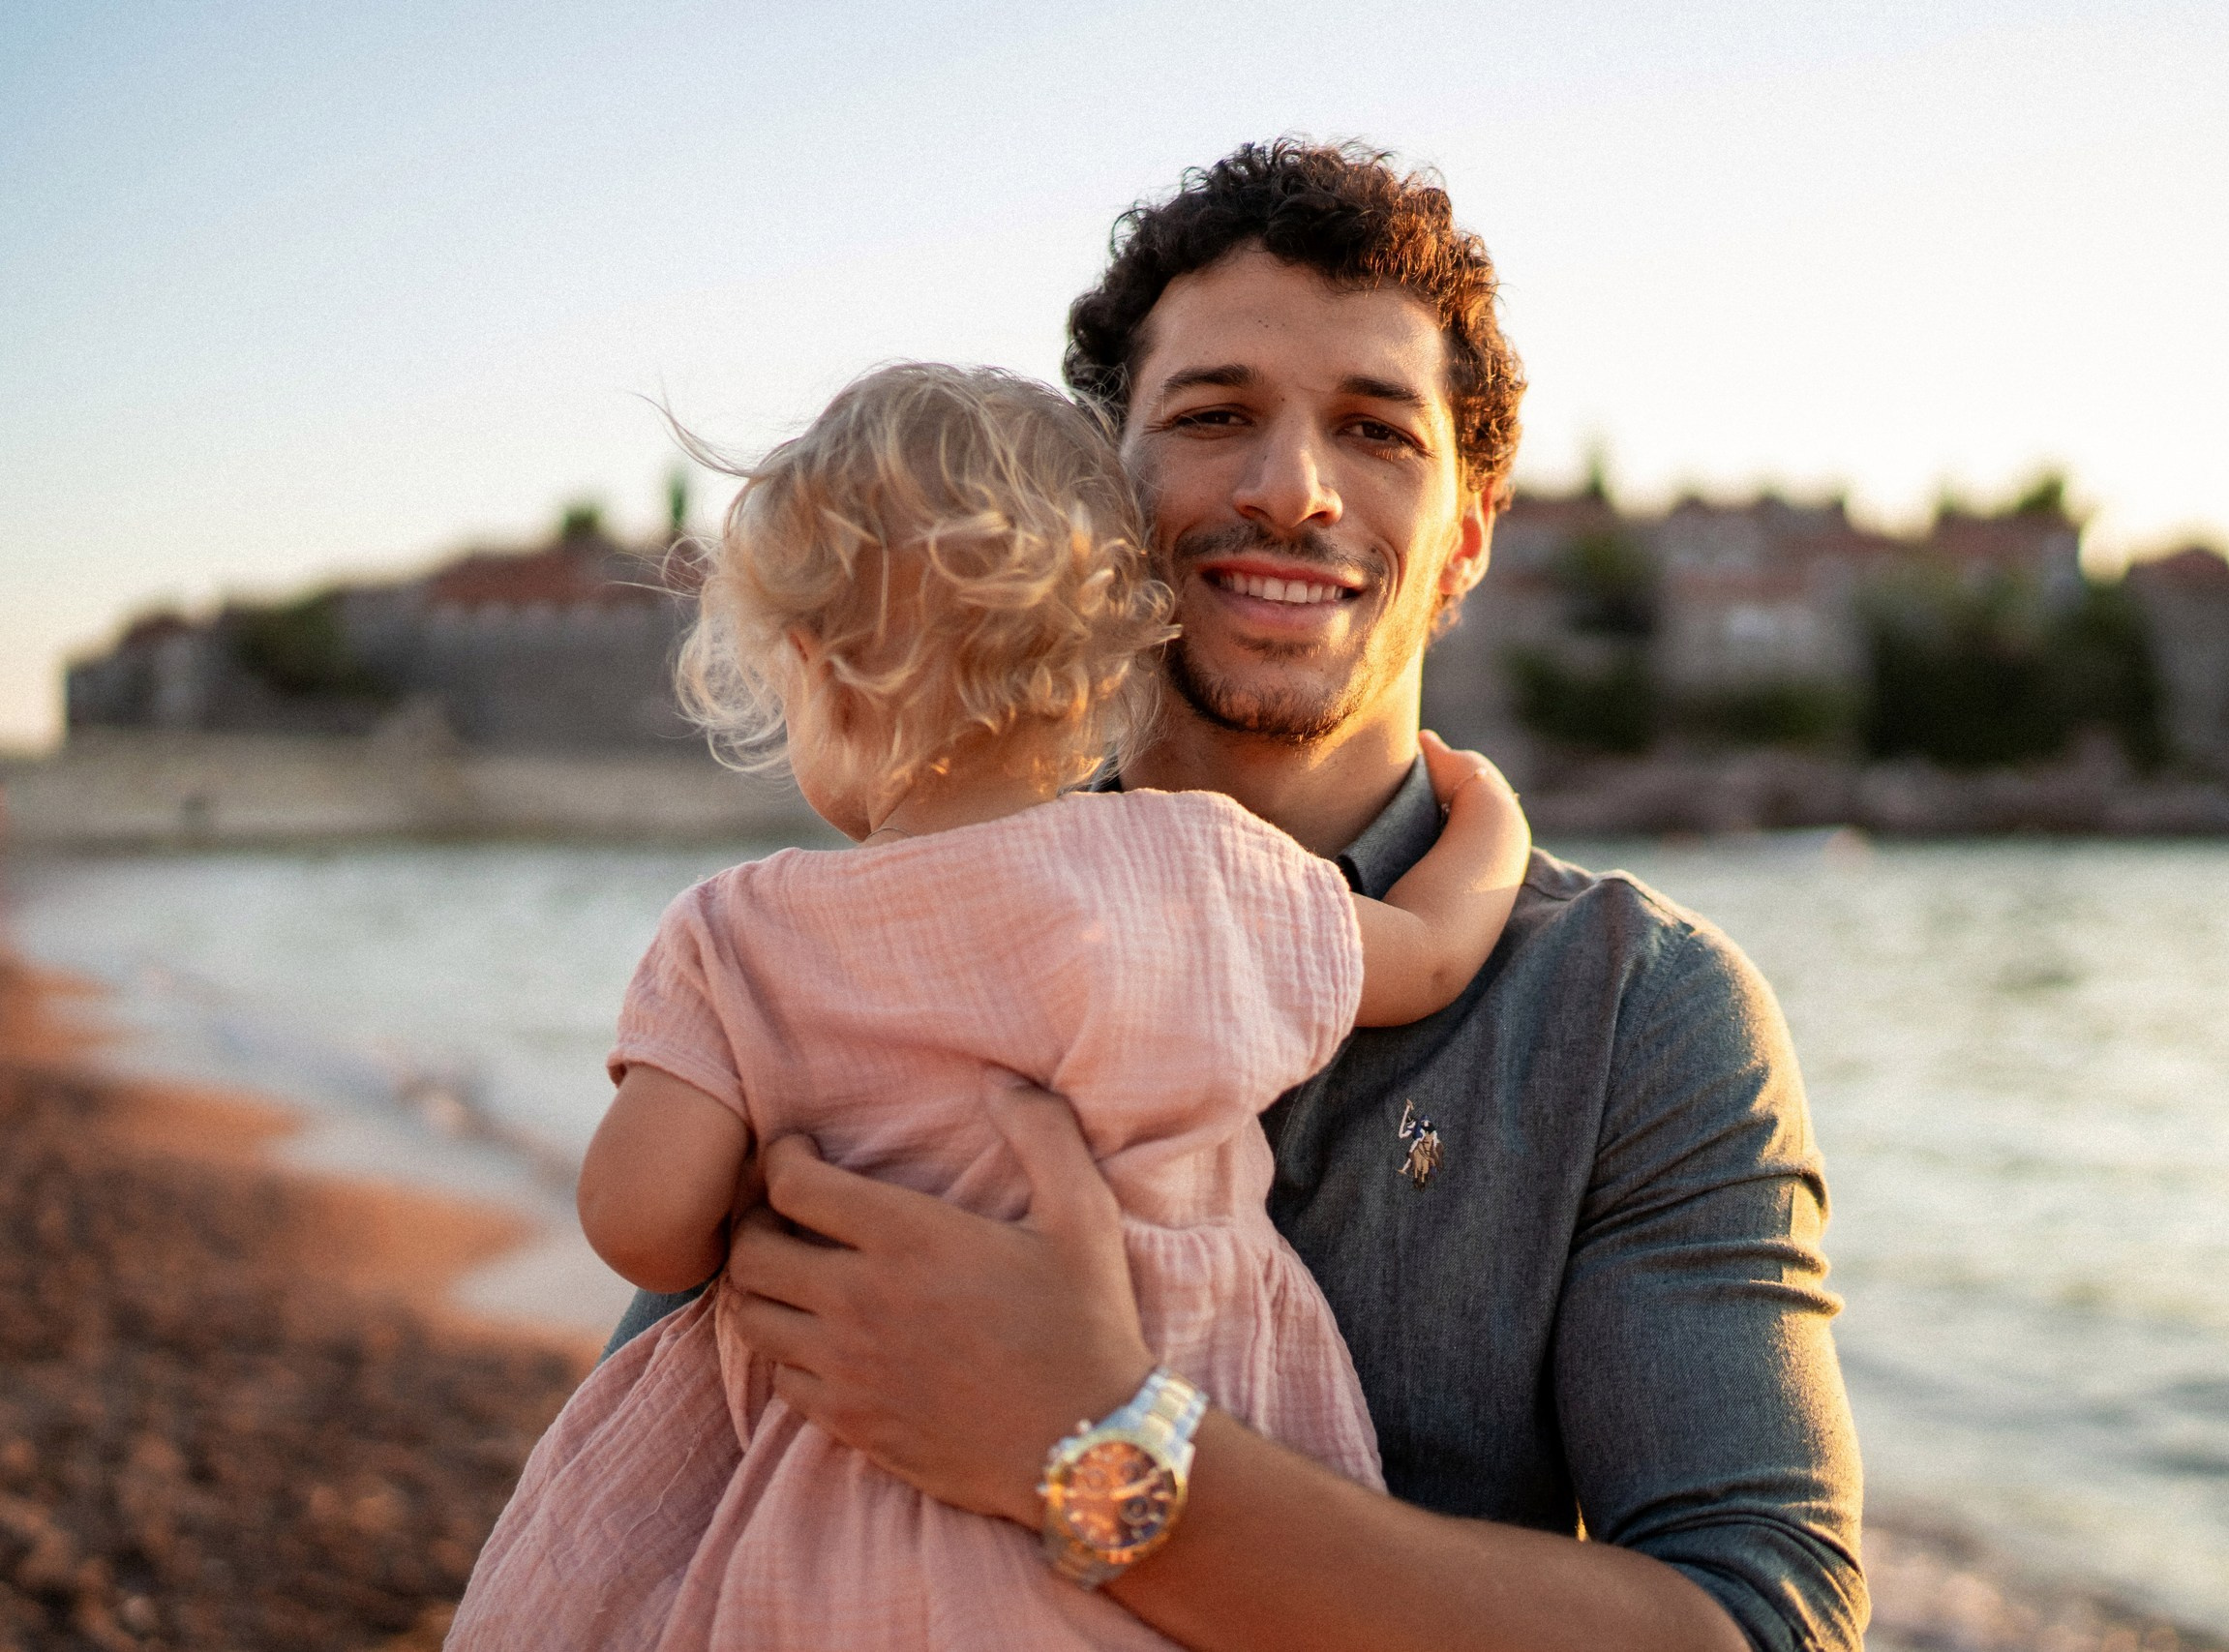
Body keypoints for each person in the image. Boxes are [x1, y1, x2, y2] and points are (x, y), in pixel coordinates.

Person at [610, 140, 1867, 1652]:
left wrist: (1092, 1448)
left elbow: (1767, 1623)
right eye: (1214, 417)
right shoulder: (872, 943)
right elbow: (678, 1434)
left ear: (1467, 532)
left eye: (1377, 432)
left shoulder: (1636, 1012)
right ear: (1091, 495)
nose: (1290, 489)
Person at [448, 362, 1535, 1650]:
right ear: (1104, 665)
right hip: (1181, 1515)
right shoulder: (1201, 867)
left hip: (841, 1506)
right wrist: (1494, 832)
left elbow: (642, 1229)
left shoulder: (736, 934)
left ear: (813, 667)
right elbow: (1429, 954)